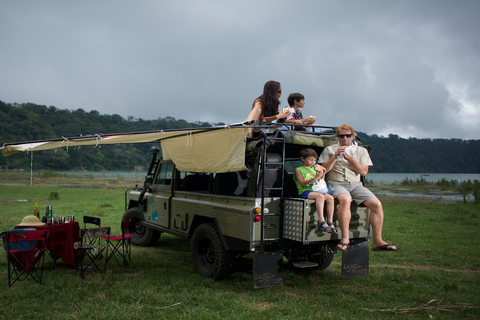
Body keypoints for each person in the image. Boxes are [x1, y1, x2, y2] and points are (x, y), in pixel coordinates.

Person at [318, 124, 398, 252]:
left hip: (356, 184)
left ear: (353, 136)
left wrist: (351, 160)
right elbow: (323, 171)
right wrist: (334, 157)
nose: (345, 138)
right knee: (345, 199)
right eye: (341, 135)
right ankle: (345, 238)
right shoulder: (329, 150)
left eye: (348, 135)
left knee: (376, 204)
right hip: (336, 183)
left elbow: (363, 172)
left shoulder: (361, 151)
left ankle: (377, 241)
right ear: (337, 137)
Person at [294, 148, 336, 233]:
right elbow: (302, 183)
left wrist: (322, 174)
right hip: (305, 191)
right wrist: (315, 177)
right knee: (320, 197)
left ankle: (330, 221)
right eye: (310, 160)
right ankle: (321, 220)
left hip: (317, 190)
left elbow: (321, 181)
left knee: (330, 198)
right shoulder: (298, 170)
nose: (313, 162)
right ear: (302, 159)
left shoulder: (315, 168)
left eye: (314, 160)